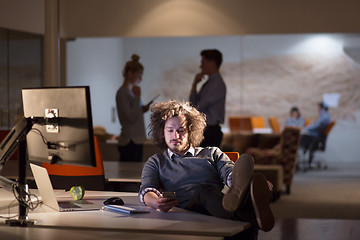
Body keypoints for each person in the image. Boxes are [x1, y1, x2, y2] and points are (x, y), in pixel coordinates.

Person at [139, 100, 274, 238]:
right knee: (202, 191)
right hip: (187, 211)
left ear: (191, 132)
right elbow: (147, 190)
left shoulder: (212, 153)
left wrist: (249, 185)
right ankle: (251, 217)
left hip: (218, 207)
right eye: (170, 130)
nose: (176, 136)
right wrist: (155, 202)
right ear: (162, 132)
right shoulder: (156, 161)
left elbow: (231, 175)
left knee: (229, 190)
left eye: (181, 131)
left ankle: (250, 202)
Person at [116, 54, 152, 162]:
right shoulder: (122, 93)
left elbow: (134, 113)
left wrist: (142, 109)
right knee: (129, 175)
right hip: (130, 141)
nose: (140, 79)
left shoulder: (129, 93)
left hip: (135, 139)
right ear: (129, 73)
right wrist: (137, 97)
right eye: (139, 75)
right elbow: (130, 117)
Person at [189, 49, 226, 148]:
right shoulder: (210, 83)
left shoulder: (216, 84)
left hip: (210, 131)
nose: (201, 66)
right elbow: (194, 105)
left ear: (212, 63)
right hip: (207, 130)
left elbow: (197, 107)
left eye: (203, 63)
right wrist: (194, 85)